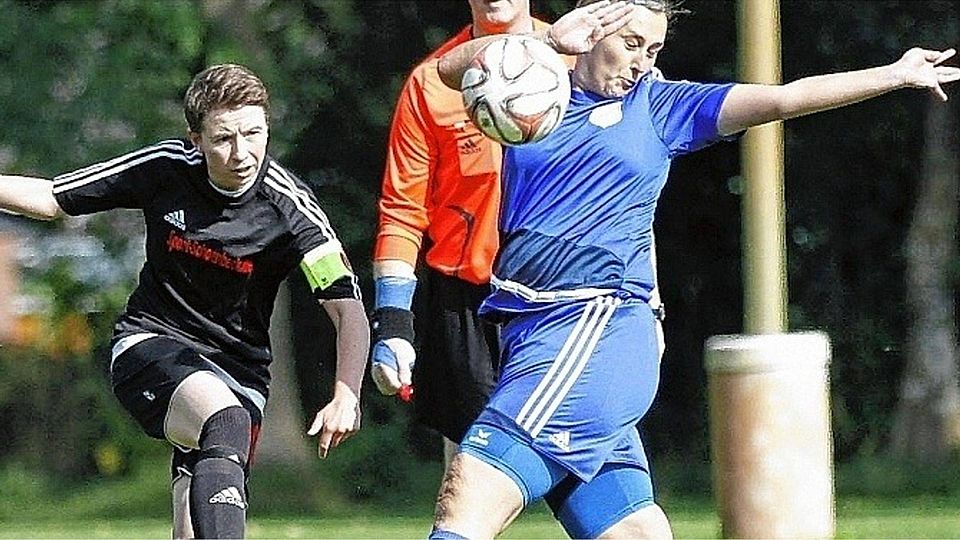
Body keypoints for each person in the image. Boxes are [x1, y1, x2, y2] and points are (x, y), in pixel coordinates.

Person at [431, 0, 960, 538]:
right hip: (531, 332)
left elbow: (783, 98)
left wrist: (896, 74)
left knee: (470, 492)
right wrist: (547, 42)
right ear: (592, 29)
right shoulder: (533, 84)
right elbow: (448, 71)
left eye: (653, 49)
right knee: (631, 530)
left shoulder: (661, 107)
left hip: (593, 329)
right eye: (632, 44)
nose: (642, 62)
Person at [0, 64, 369, 539]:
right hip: (151, 344)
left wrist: (346, 394)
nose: (242, 153)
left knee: (192, 527)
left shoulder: (290, 209)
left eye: (253, 134)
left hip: (241, 372)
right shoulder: (166, 167)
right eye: (224, 139)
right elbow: (54, 198)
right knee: (225, 420)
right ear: (196, 140)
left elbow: (347, 308)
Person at [370, 0, 666, 467]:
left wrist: (650, 303)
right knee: (470, 471)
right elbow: (403, 211)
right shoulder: (432, 84)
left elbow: (633, 195)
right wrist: (393, 323)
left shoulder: (589, 57)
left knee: (595, 468)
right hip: (469, 303)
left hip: (572, 298)